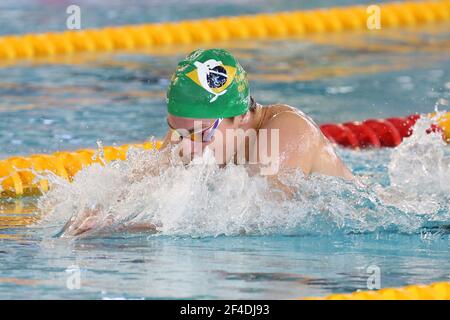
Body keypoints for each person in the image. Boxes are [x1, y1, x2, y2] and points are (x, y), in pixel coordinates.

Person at [60, 48, 353, 237]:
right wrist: (102, 209)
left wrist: (123, 229)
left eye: (201, 135)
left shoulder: (286, 132)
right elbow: (147, 176)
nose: (186, 146)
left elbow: (257, 221)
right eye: (177, 131)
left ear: (239, 117)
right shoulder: (190, 130)